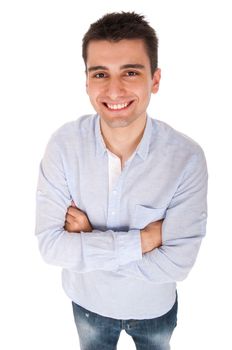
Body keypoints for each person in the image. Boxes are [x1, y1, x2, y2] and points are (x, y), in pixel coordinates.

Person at [35, 12, 208, 350]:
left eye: (130, 72)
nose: (114, 89)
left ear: (154, 80)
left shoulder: (186, 158)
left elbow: (178, 263)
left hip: (154, 309)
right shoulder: (63, 145)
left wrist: (89, 241)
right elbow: (51, 247)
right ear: (87, 81)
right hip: (88, 306)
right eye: (101, 73)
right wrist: (146, 239)